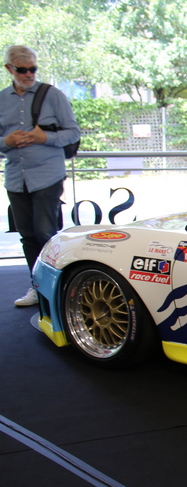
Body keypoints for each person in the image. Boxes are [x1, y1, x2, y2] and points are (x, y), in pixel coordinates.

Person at [1, 45, 81, 307]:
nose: (28, 74)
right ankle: (37, 287)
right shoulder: (2, 99)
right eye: (22, 70)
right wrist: (6, 142)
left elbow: (73, 133)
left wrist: (43, 137)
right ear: (9, 69)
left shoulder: (53, 95)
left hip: (48, 175)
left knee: (45, 233)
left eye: (32, 69)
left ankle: (57, 290)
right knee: (27, 236)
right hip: (16, 177)